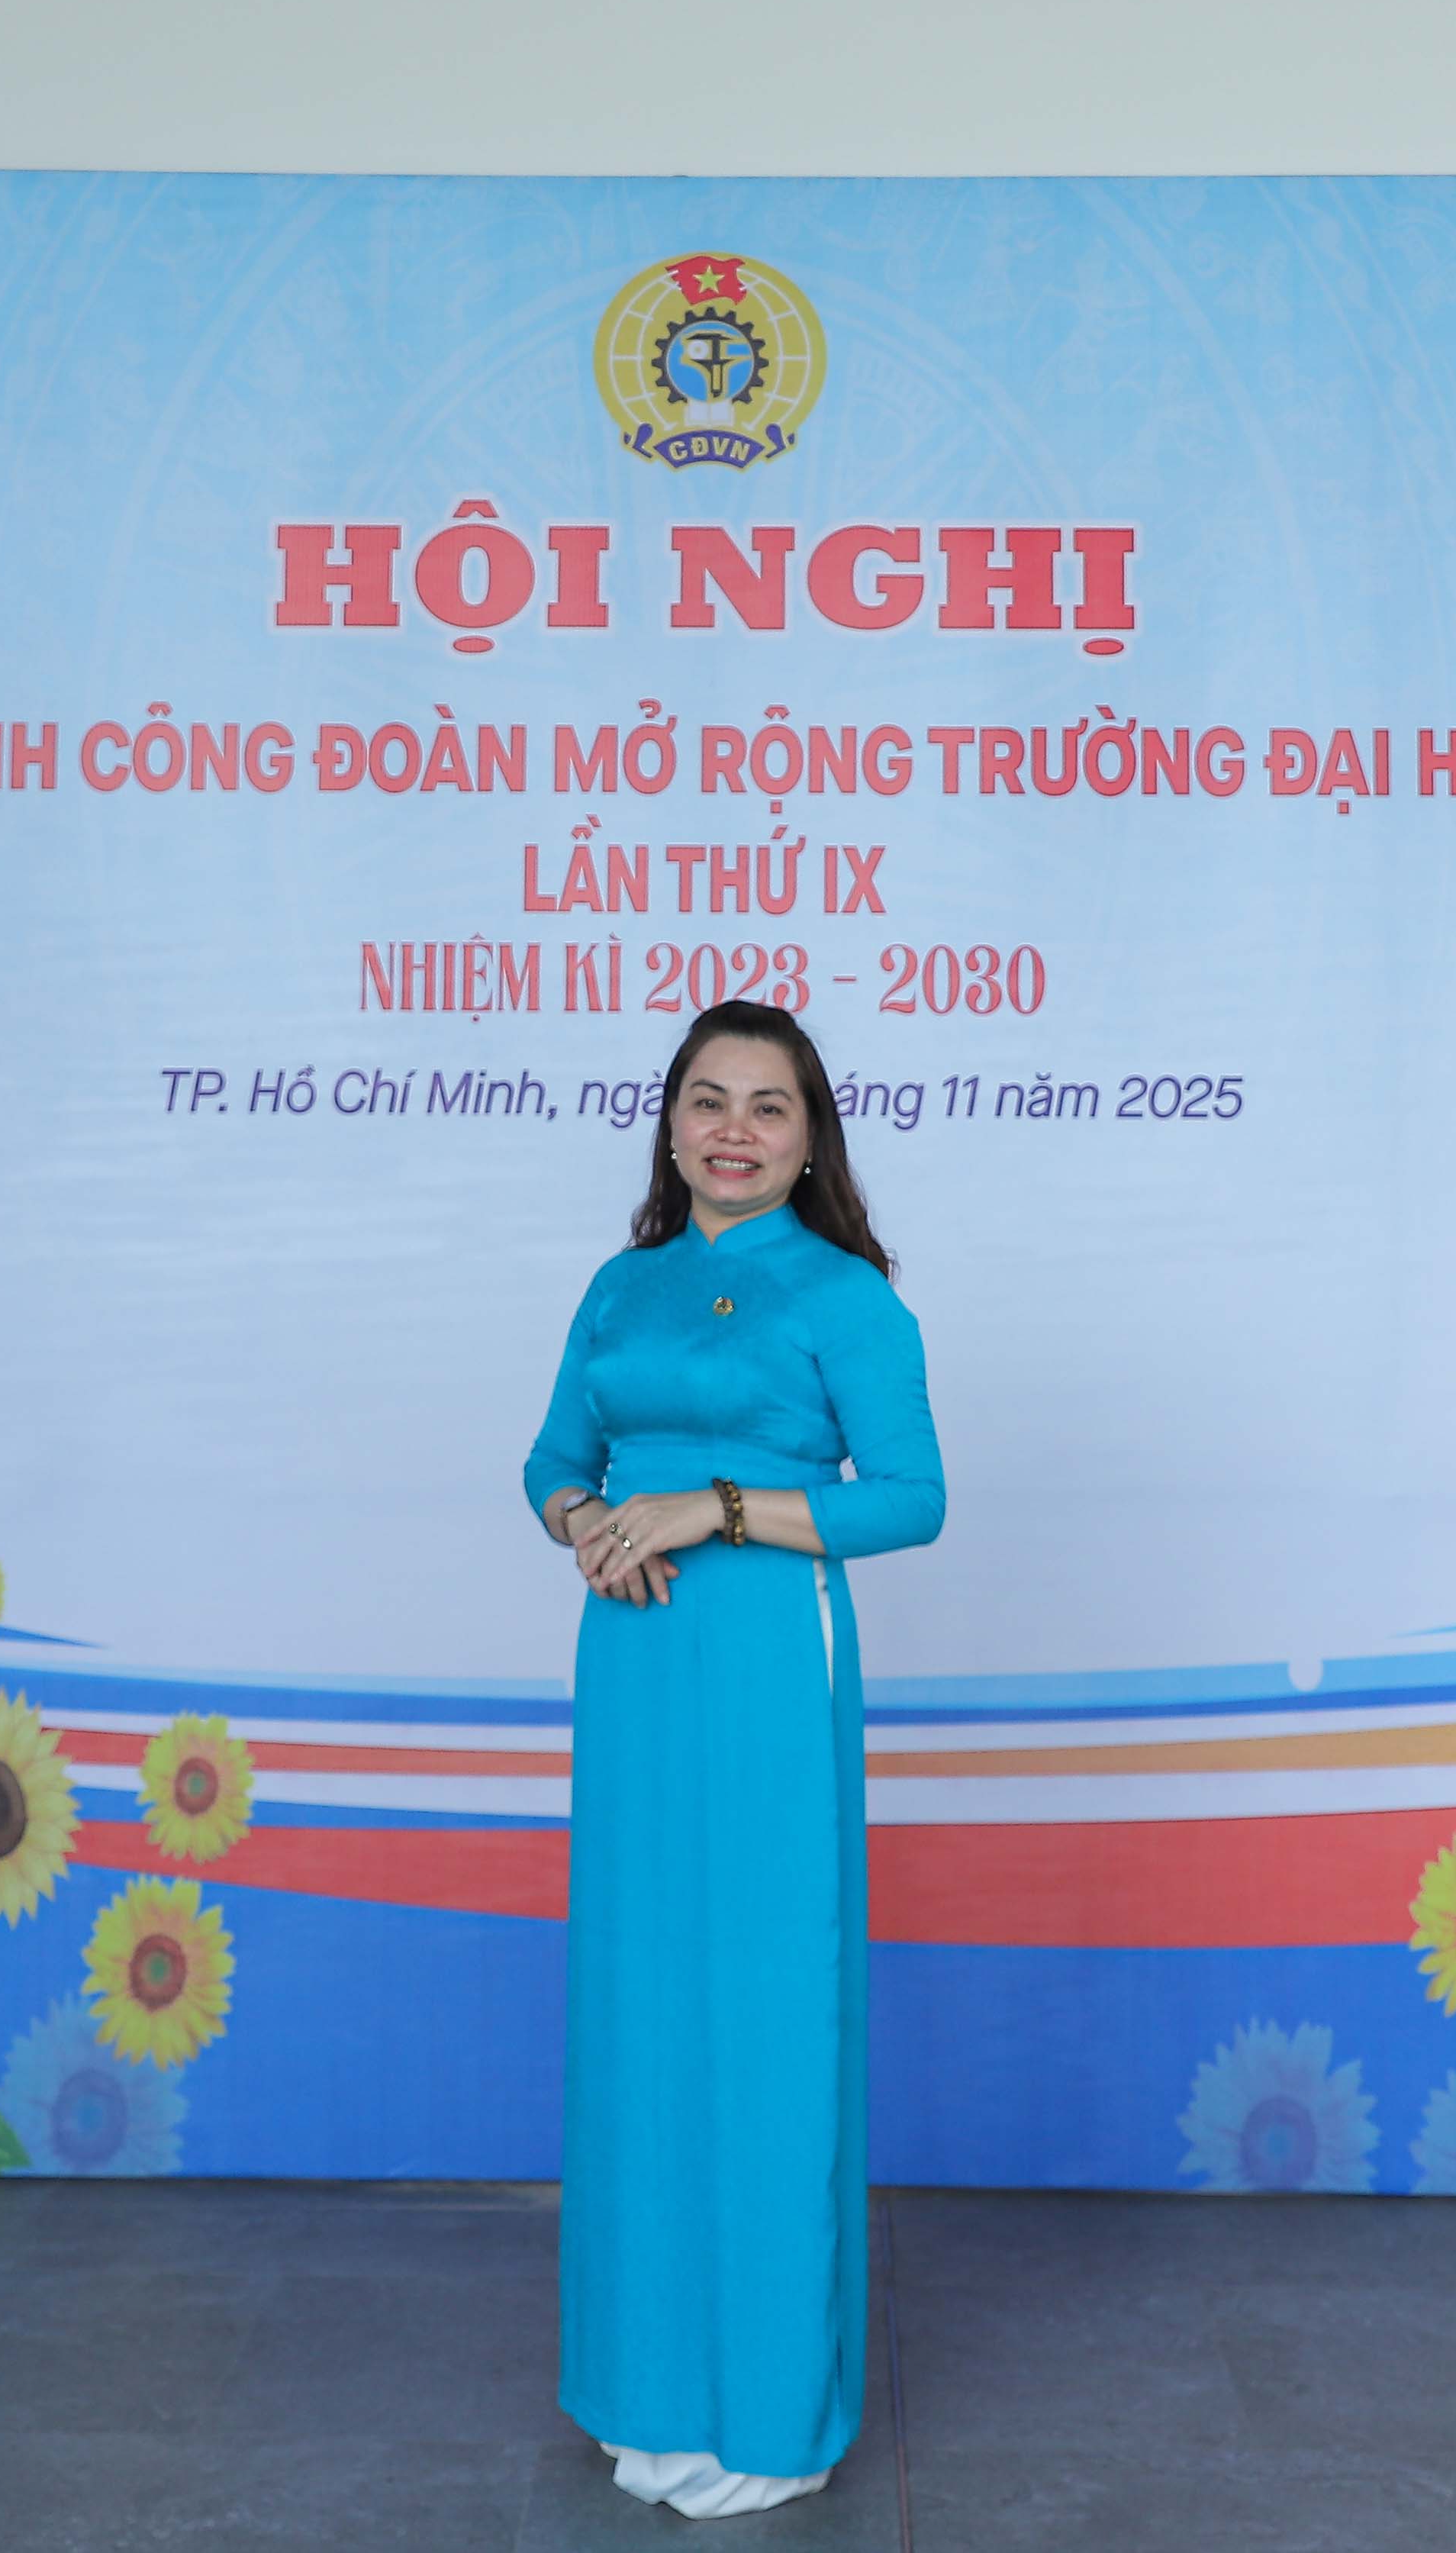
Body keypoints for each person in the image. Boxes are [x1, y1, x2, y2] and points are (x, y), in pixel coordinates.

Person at [520, 1001, 946, 2521]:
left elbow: (911, 1497)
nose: (735, 1130)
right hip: (633, 1656)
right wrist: (590, 1522)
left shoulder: (845, 1295)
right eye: (709, 1099)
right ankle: (643, 2381)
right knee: (642, 2004)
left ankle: (767, 2399)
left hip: (770, 1649)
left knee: (767, 2000)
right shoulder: (621, 1286)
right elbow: (550, 1461)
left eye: (770, 1106)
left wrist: (716, 1507)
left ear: (810, 1136)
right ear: (671, 1122)